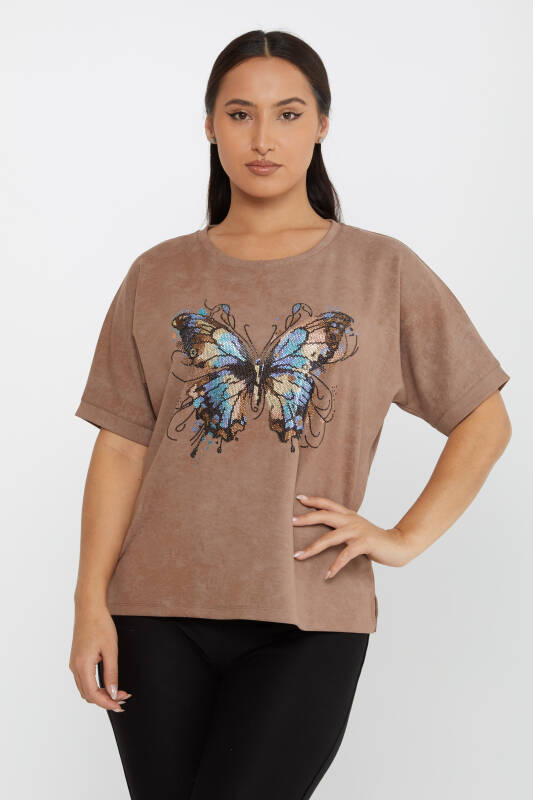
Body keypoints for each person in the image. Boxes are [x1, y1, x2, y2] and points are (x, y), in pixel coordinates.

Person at [69, 29, 512, 800]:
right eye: (240, 114)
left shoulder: (380, 269)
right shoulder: (157, 272)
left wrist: (403, 538)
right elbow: (121, 447)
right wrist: (88, 606)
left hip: (309, 613)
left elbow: (482, 416)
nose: (262, 139)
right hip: (152, 615)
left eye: (288, 114)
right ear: (209, 126)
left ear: (322, 125)